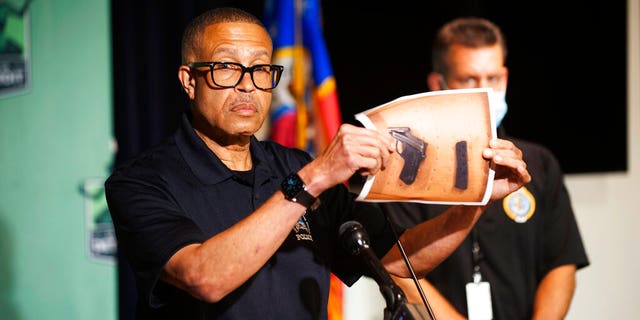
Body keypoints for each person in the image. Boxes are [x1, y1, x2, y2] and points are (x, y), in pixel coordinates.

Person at [104, 8, 531, 319]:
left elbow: (398, 261)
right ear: (188, 80)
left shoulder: (290, 162)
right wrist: (313, 178)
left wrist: (475, 201)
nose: (247, 86)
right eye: (226, 69)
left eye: (259, 70)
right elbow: (204, 278)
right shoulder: (141, 181)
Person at [389, 17, 590, 320]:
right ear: (437, 84)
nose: (484, 92)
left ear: (505, 79)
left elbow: (562, 263)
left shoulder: (538, 163)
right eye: (469, 80)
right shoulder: (407, 168)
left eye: (493, 79)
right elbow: (398, 269)